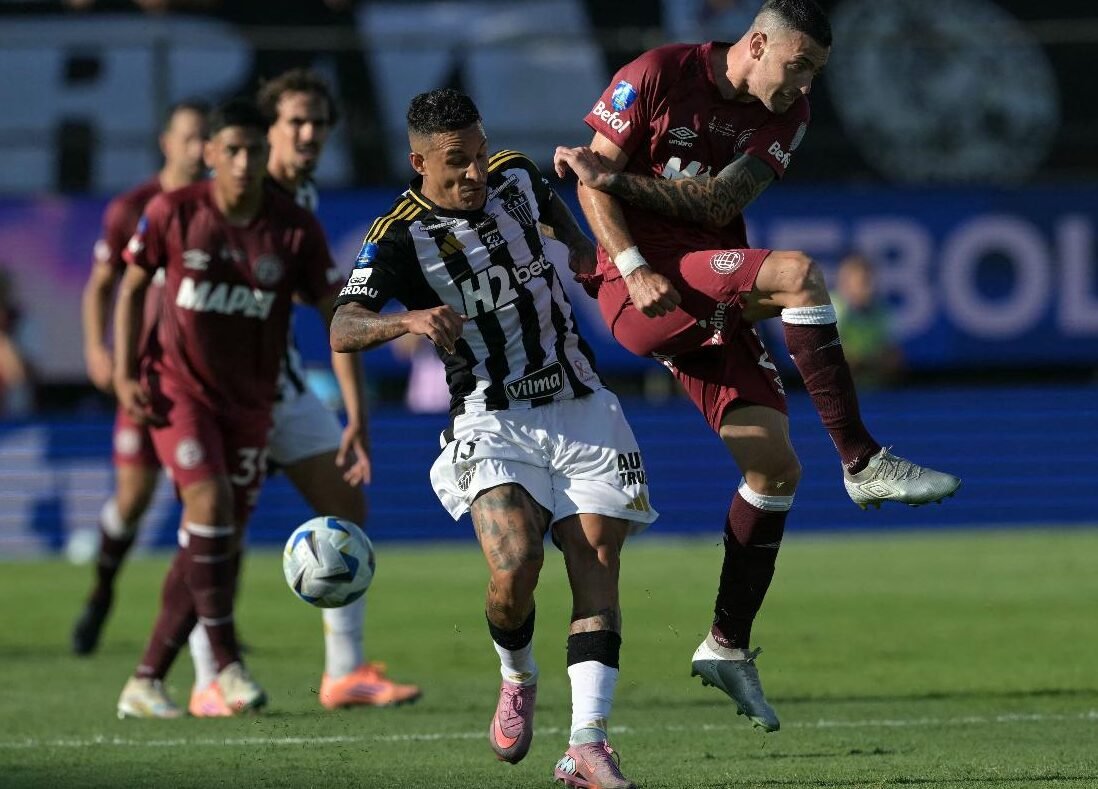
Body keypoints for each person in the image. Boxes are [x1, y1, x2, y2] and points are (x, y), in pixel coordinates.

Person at [553, 0, 960, 732]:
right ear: (759, 42)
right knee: (801, 274)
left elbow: (717, 200)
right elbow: (587, 183)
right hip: (638, 284)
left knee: (774, 469)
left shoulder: (786, 114)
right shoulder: (655, 74)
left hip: (706, 287)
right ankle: (863, 458)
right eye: (798, 65)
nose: (805, 86)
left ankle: (726, 643)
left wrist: (613, 182)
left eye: (816, 73)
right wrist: (635, 260)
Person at [330, 88, 656, 789]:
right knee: (515, 567)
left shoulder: (516, 175)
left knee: (596, 559)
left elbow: (553, 212)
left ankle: (588, 745)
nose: (475, 172)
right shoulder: (396, 234)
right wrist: (406, 320)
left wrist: (574, 245)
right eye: (456, 162)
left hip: (580, 401)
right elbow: (342, 326)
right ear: (419, 161)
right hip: (489, 414)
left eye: (478, 154)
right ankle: (518, 675)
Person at [183, 67, 420, 717]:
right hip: (215, 395)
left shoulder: (303, 200)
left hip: (282, 389)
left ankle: (344, 673)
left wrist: (355, 414)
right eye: (297, 122)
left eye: (320, 122)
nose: (311, 133)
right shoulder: (221, 201)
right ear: (267, 130)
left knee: (346, 501)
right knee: (216, 529)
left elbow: (335, 313)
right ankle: (210, 675)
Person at [113, 98, 342, 718]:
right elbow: (131, 288)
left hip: (251, 402)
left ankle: (145, 678)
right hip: (178, 391)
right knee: (209, 507)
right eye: (231, 150)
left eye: (253, 151)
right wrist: (123, 367)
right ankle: (226, 665)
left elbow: (334, 311)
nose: (244, 162)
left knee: (211, 542)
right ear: (209, 154)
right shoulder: (172, 213)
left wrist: (393, 326)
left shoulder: (291, 227)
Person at [72, 100, 209, 656]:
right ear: (166, 142)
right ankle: (101, 591)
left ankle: (203, 622)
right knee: (132, 499)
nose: (200, 149)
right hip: (147, 375)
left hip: (201, 381)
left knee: (207, 501)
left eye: (207, 138)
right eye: (191, 137)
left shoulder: (220, 206)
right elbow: (103, 284)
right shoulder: (133, 208)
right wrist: (98, 351)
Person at [831, 252, 904, 389]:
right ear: (845, 283)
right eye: (861, 282)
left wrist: (862, 362)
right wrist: (872, 361)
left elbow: (894, 361)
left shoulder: (883, 311)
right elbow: (833, 359)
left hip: (876, 394)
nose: (866, 288)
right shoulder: (831, 308)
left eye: (868, 281)